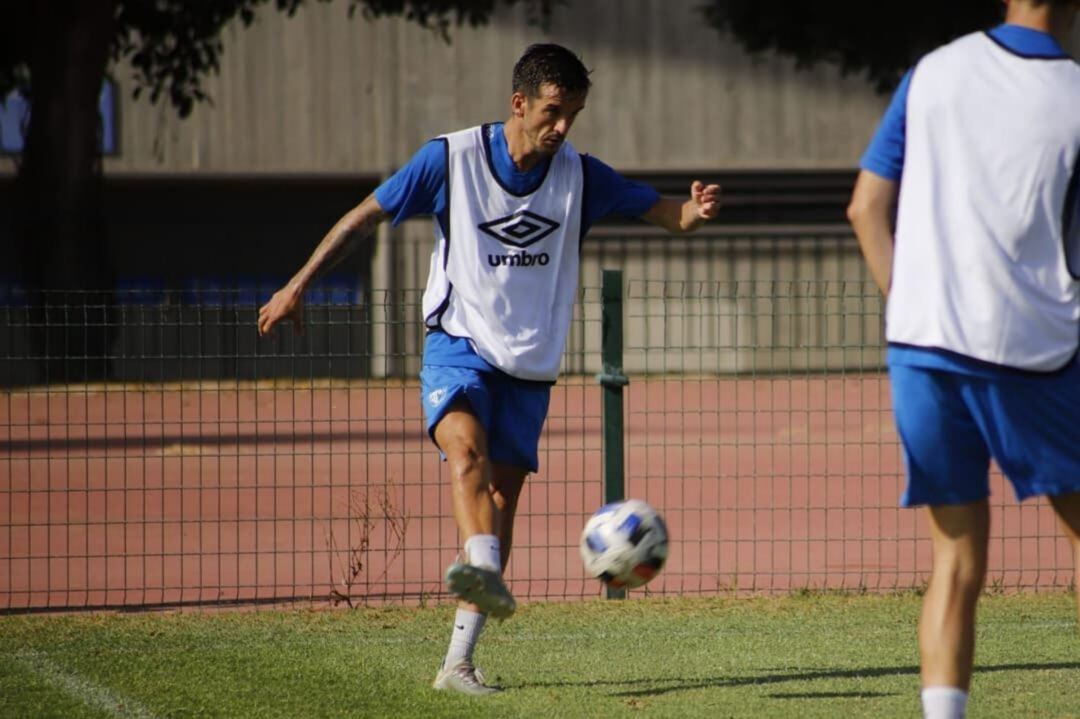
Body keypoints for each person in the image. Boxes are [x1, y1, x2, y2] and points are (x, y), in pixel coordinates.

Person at [257, 43, 720, 696]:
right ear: (519, 103)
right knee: (466, 457)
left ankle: (458, 664)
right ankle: (482, 568)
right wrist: (298, 283)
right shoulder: (450, 159)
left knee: (499, 507)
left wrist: (694, 212)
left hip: (529, 367)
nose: (563, 128)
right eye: (554, 112)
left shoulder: (581, 177)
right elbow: (366, 215)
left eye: (574, 115)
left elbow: (666, 213)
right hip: (459, 344)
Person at [847, 2, 1080, 717]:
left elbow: (865, 208)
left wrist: (914, 310)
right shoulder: (1074, 92)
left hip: (924, 351)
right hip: (1035, 353)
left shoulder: (932, 74)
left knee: (955, 561)